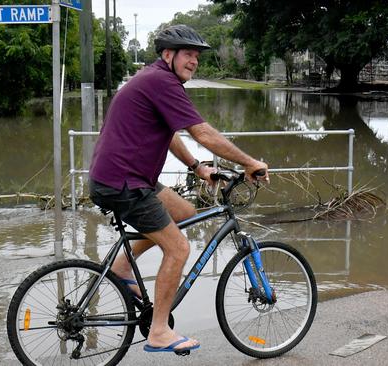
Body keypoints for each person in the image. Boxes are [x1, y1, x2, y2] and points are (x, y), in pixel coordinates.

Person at [89, 24, 269, 354]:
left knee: (184, 211)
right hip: (124, 182)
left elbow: (170, 133)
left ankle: (121, 268)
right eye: (188, 54)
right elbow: (204, 134)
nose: (194, 61)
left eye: (197, 56)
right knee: (179, 249)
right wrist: (249, 162)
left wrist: (197, 167)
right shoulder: (162, 81)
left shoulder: (154, 80)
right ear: (168, 55)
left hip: (125, 176)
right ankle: (158, 331)